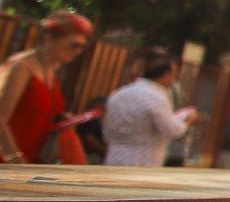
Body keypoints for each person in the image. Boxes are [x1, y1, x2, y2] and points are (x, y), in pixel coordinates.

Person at [0, 11, 94, 165]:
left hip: (28, 159)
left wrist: (62, 120)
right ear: (48, 39)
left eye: (82, 47)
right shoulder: (22, 66)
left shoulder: (51, 70)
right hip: (9, 162)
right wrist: (14, 158)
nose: (78, 51)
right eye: (74, 45)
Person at [102, 48, 197, 167]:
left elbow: (106, 129)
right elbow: (171, 130)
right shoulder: (157, 98)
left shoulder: (118, 94)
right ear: (167, 74)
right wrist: (188, 121)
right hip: (143, 161)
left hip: (113, 157)